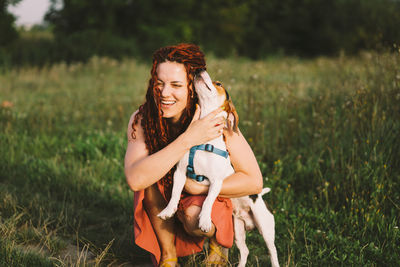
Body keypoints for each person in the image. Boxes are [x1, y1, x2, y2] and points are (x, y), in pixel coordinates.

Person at [124, 43, 262, 267]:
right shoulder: (143, 119)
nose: (164, 93)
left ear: (193, 86)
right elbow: (135, 179)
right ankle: (168, 257)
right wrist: (189, 138)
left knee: (194, 216)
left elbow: (254, 181)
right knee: (148, 174)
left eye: (176, 85)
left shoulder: (216, 116)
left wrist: (200, 188)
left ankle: (218, 245)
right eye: (159, 83)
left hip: (202, 199)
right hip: (167, 200)